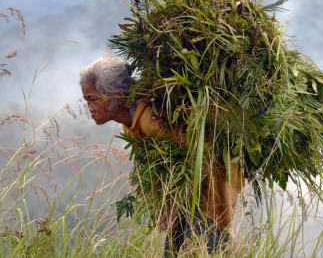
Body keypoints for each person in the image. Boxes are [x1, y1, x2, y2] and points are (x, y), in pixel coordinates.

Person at [80, 57, 244, 256]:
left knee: (209, 249)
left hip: (212, 189)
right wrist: (164, 203)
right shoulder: (130, 121)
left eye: (94, 99)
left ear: (117, 96)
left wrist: (176, 201)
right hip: (185, 196)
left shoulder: (153, 121)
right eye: (87, 100)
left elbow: (205, 152)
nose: (90, 108)